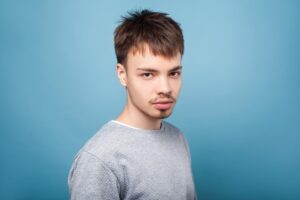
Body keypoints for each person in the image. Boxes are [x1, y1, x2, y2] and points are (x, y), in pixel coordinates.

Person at [68, 9, 197, 200]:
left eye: (173, 73)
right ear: (122, 75)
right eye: (148, 74)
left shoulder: (178, 139)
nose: (166, 88)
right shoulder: (100, 160)